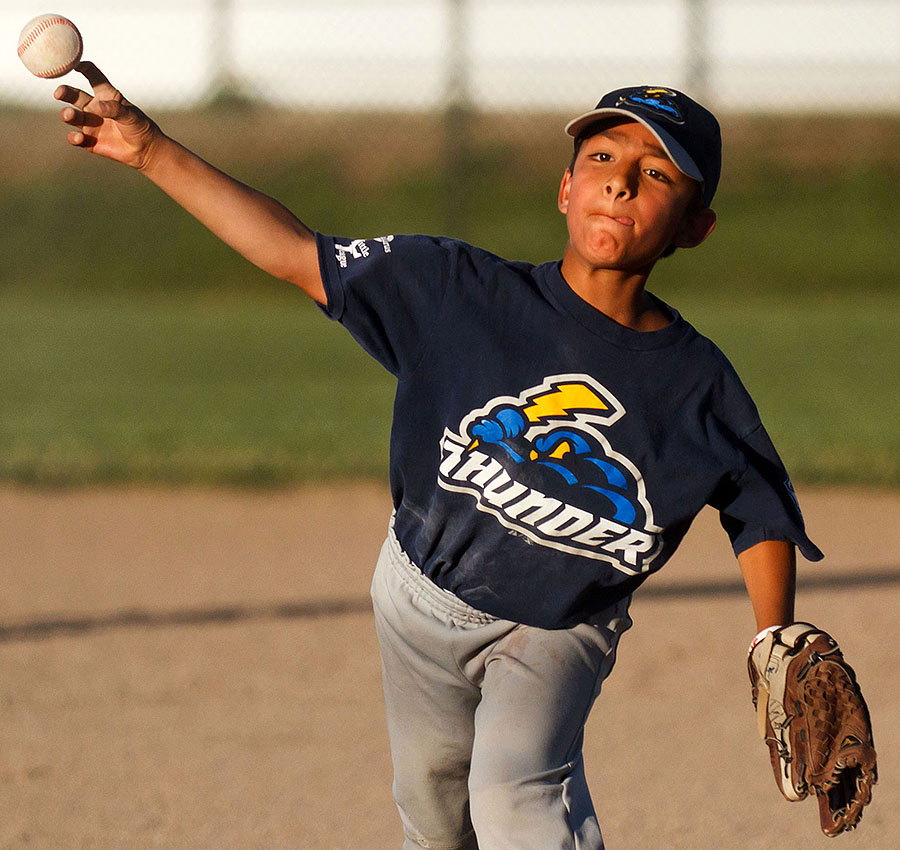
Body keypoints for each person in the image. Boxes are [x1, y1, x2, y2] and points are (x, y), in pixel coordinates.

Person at [54, 68, 822, 849]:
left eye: (657, 174)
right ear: (563, 188)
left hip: (560, 630)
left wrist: (775, 640)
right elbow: (291, 251)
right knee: (433, 812)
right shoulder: (457, 293)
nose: (620, 183)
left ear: (696, 226)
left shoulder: (699, 384)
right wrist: (150, 152)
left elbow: (756, 504)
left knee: (517, 796)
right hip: (419, 597)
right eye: (602, 158)